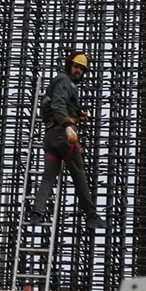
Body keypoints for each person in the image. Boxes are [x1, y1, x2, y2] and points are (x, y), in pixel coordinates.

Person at [29, 51, 107, 229]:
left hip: (50, 137)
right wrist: (67, 125)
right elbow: (58, 104)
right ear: (68, 65)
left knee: (48, 178)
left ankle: (36, 213)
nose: (78, 71)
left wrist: (78, 113)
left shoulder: (62, 83)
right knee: (79, 175)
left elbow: (60, 104)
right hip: (62, 135)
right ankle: (92, 216)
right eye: (76, 66)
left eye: (81, 69)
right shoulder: (64, 81)